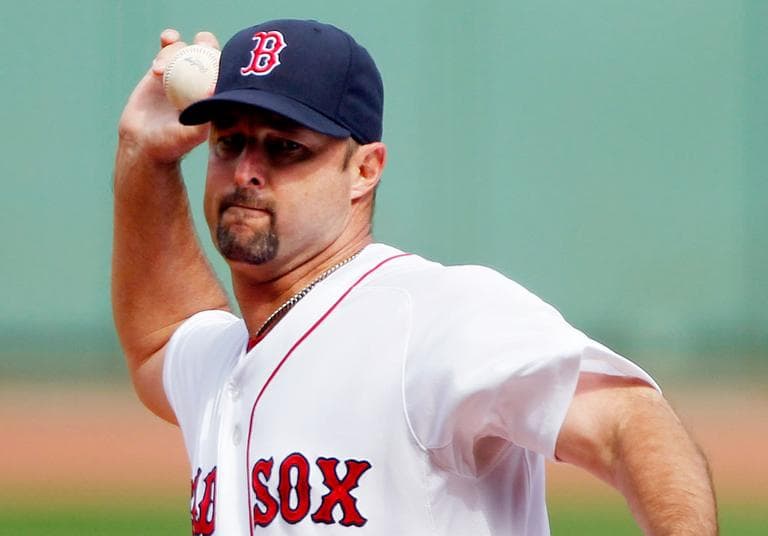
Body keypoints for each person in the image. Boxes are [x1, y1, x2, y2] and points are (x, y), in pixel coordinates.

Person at [112, 18, 717, 535]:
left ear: (364, 170)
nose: (247, 169)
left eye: (286, 148)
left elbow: (627, 421)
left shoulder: (432, 316)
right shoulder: (223, 361)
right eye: (229, 143)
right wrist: (145, 154)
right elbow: (159, 338)